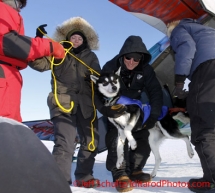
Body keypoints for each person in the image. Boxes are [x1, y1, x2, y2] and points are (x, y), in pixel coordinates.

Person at [167, 18, 215, 192]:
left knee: (203, 128)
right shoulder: (209, 31)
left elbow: (187, 48)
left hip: (207, 71)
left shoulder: (179, 29)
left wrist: (179, 83)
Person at [28, 17, 101, 188]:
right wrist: (39, 41)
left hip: (86, 105)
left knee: (91, 141)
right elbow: (37, 64)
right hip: (62, 104)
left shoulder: (91, 57)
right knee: (65, 142)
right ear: (67, 40)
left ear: (84, 42)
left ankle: (84, 176)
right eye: (73, 38)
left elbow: (100, 80)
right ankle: (59, 181)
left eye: (79, 38)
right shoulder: (58, 52)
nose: (76, 40)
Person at [97, 35, 163, 192]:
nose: (132, 62)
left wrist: (153, 115)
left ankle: (135, 169)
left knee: (143, 133)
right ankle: (120, 173)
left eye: (136, 59)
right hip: (115, 107)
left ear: (141, 59)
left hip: (134, 107)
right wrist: (104, 109)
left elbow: (156, 92)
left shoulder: (146, 70)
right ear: (123, 55)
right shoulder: (110, 67)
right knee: (118, 133)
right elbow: (98, 92)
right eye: (128, 58)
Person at [0, 0, 65, 123]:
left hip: (10, 76)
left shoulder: (89, 58)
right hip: (4, 74)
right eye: (19, 4)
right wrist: (49, 46)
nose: (19, 10)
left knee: (10, 126)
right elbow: (6, 42)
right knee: (6, 127)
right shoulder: (2, 8)